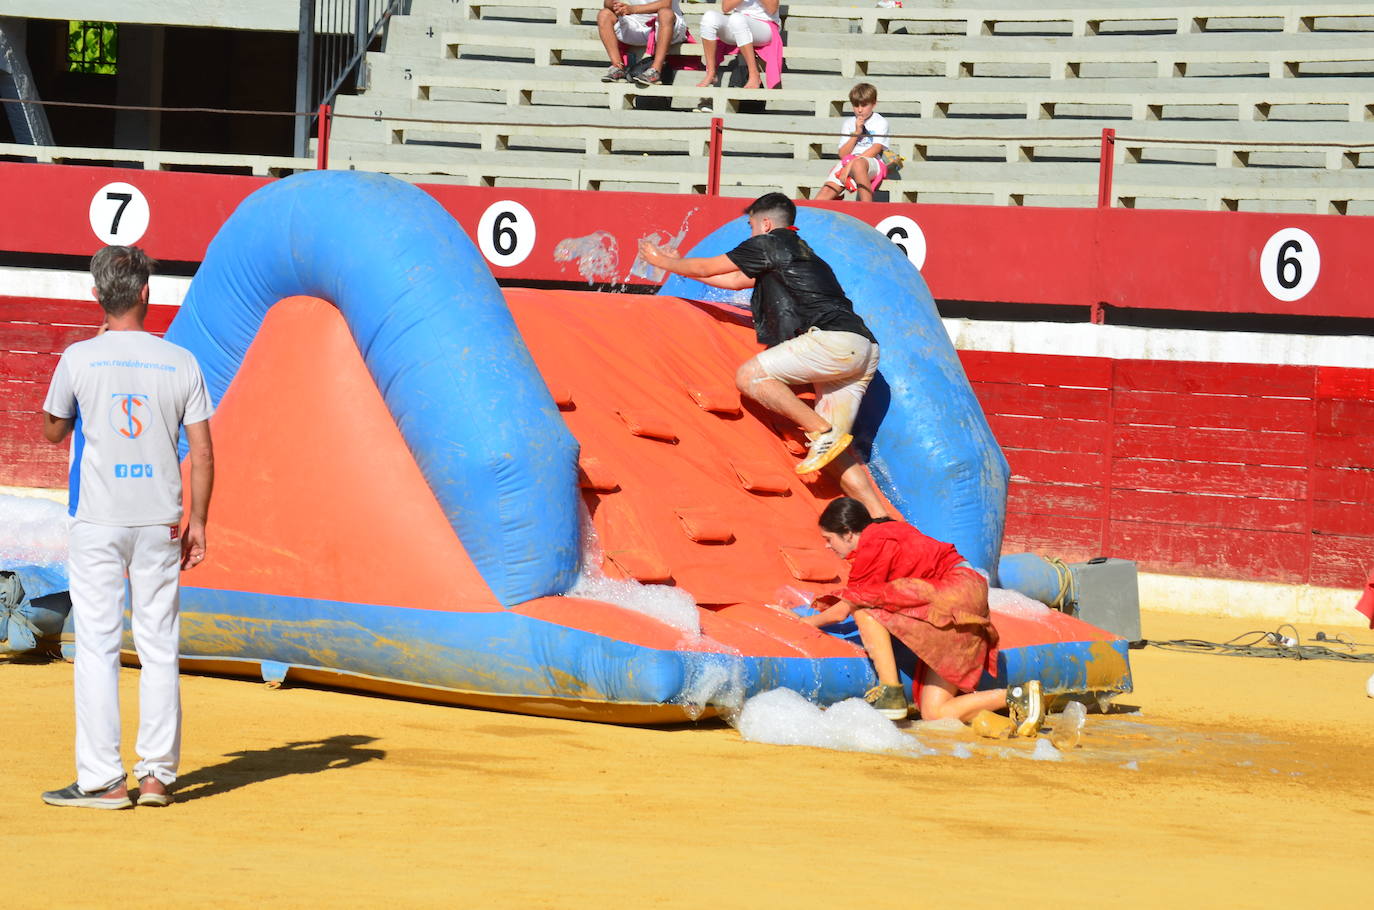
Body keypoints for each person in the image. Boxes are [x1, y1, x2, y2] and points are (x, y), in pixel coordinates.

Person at [39, 245, 215, 809]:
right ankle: (156, 776)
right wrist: (199, 520)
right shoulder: (180, 361)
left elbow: (52, 431)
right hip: (160, 519)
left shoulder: (79, 359)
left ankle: (103, 780)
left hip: (98, 517)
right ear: (146, 293)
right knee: (159, 644)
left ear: (97, 295)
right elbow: (203, 452)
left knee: (97, 645)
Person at [637, 193, 887, 517]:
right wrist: (680, 267)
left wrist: (661, 261)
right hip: (863, 349)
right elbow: (732, 279)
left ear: (765, 223)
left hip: (833, 343)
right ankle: (880, 519)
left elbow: (707, 266)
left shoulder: (769, 242)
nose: (751, 232)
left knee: (750, 377)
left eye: (751, 225)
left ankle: (822, 430)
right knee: (829, 454)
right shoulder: (799, 251)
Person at [800, 497, 1045, 733]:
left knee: (864, 609)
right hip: (966, 597)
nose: (828, 546)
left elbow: (846, 608)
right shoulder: (886, 532)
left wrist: (805, 622)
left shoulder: (874, 541)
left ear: (847, 533)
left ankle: (891, 692)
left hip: (954, 591)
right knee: (934, 713)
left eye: (829, 539)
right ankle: (1018, 695)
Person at [816, 83, 889, 204]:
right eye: (856, 105)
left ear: (874, 104)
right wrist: (856, 133)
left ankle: (867, 208)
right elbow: (843, 154)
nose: (859, 110)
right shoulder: (849, 123)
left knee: (858, 165)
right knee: (822, 196)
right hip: (848, 162)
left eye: (864, 105)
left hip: (871, 161)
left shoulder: (880, 122)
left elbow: (876, 148)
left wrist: (851, 165)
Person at [597, 0, 687, 87]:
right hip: (635, 22)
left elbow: (666, 4)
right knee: (604, 14)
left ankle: (655, 71)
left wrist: (632, 9)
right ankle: (618, 68)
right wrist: (616, 6)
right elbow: (607, 4)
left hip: (668, 25)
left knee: (665, 13)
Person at [694, 0, 781, 90]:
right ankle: (711, 73)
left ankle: (754, 74)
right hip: (737, 25)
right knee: (709, 17)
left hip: (766, 26)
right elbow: (726, 8)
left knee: (737, 19)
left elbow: (772, 9)